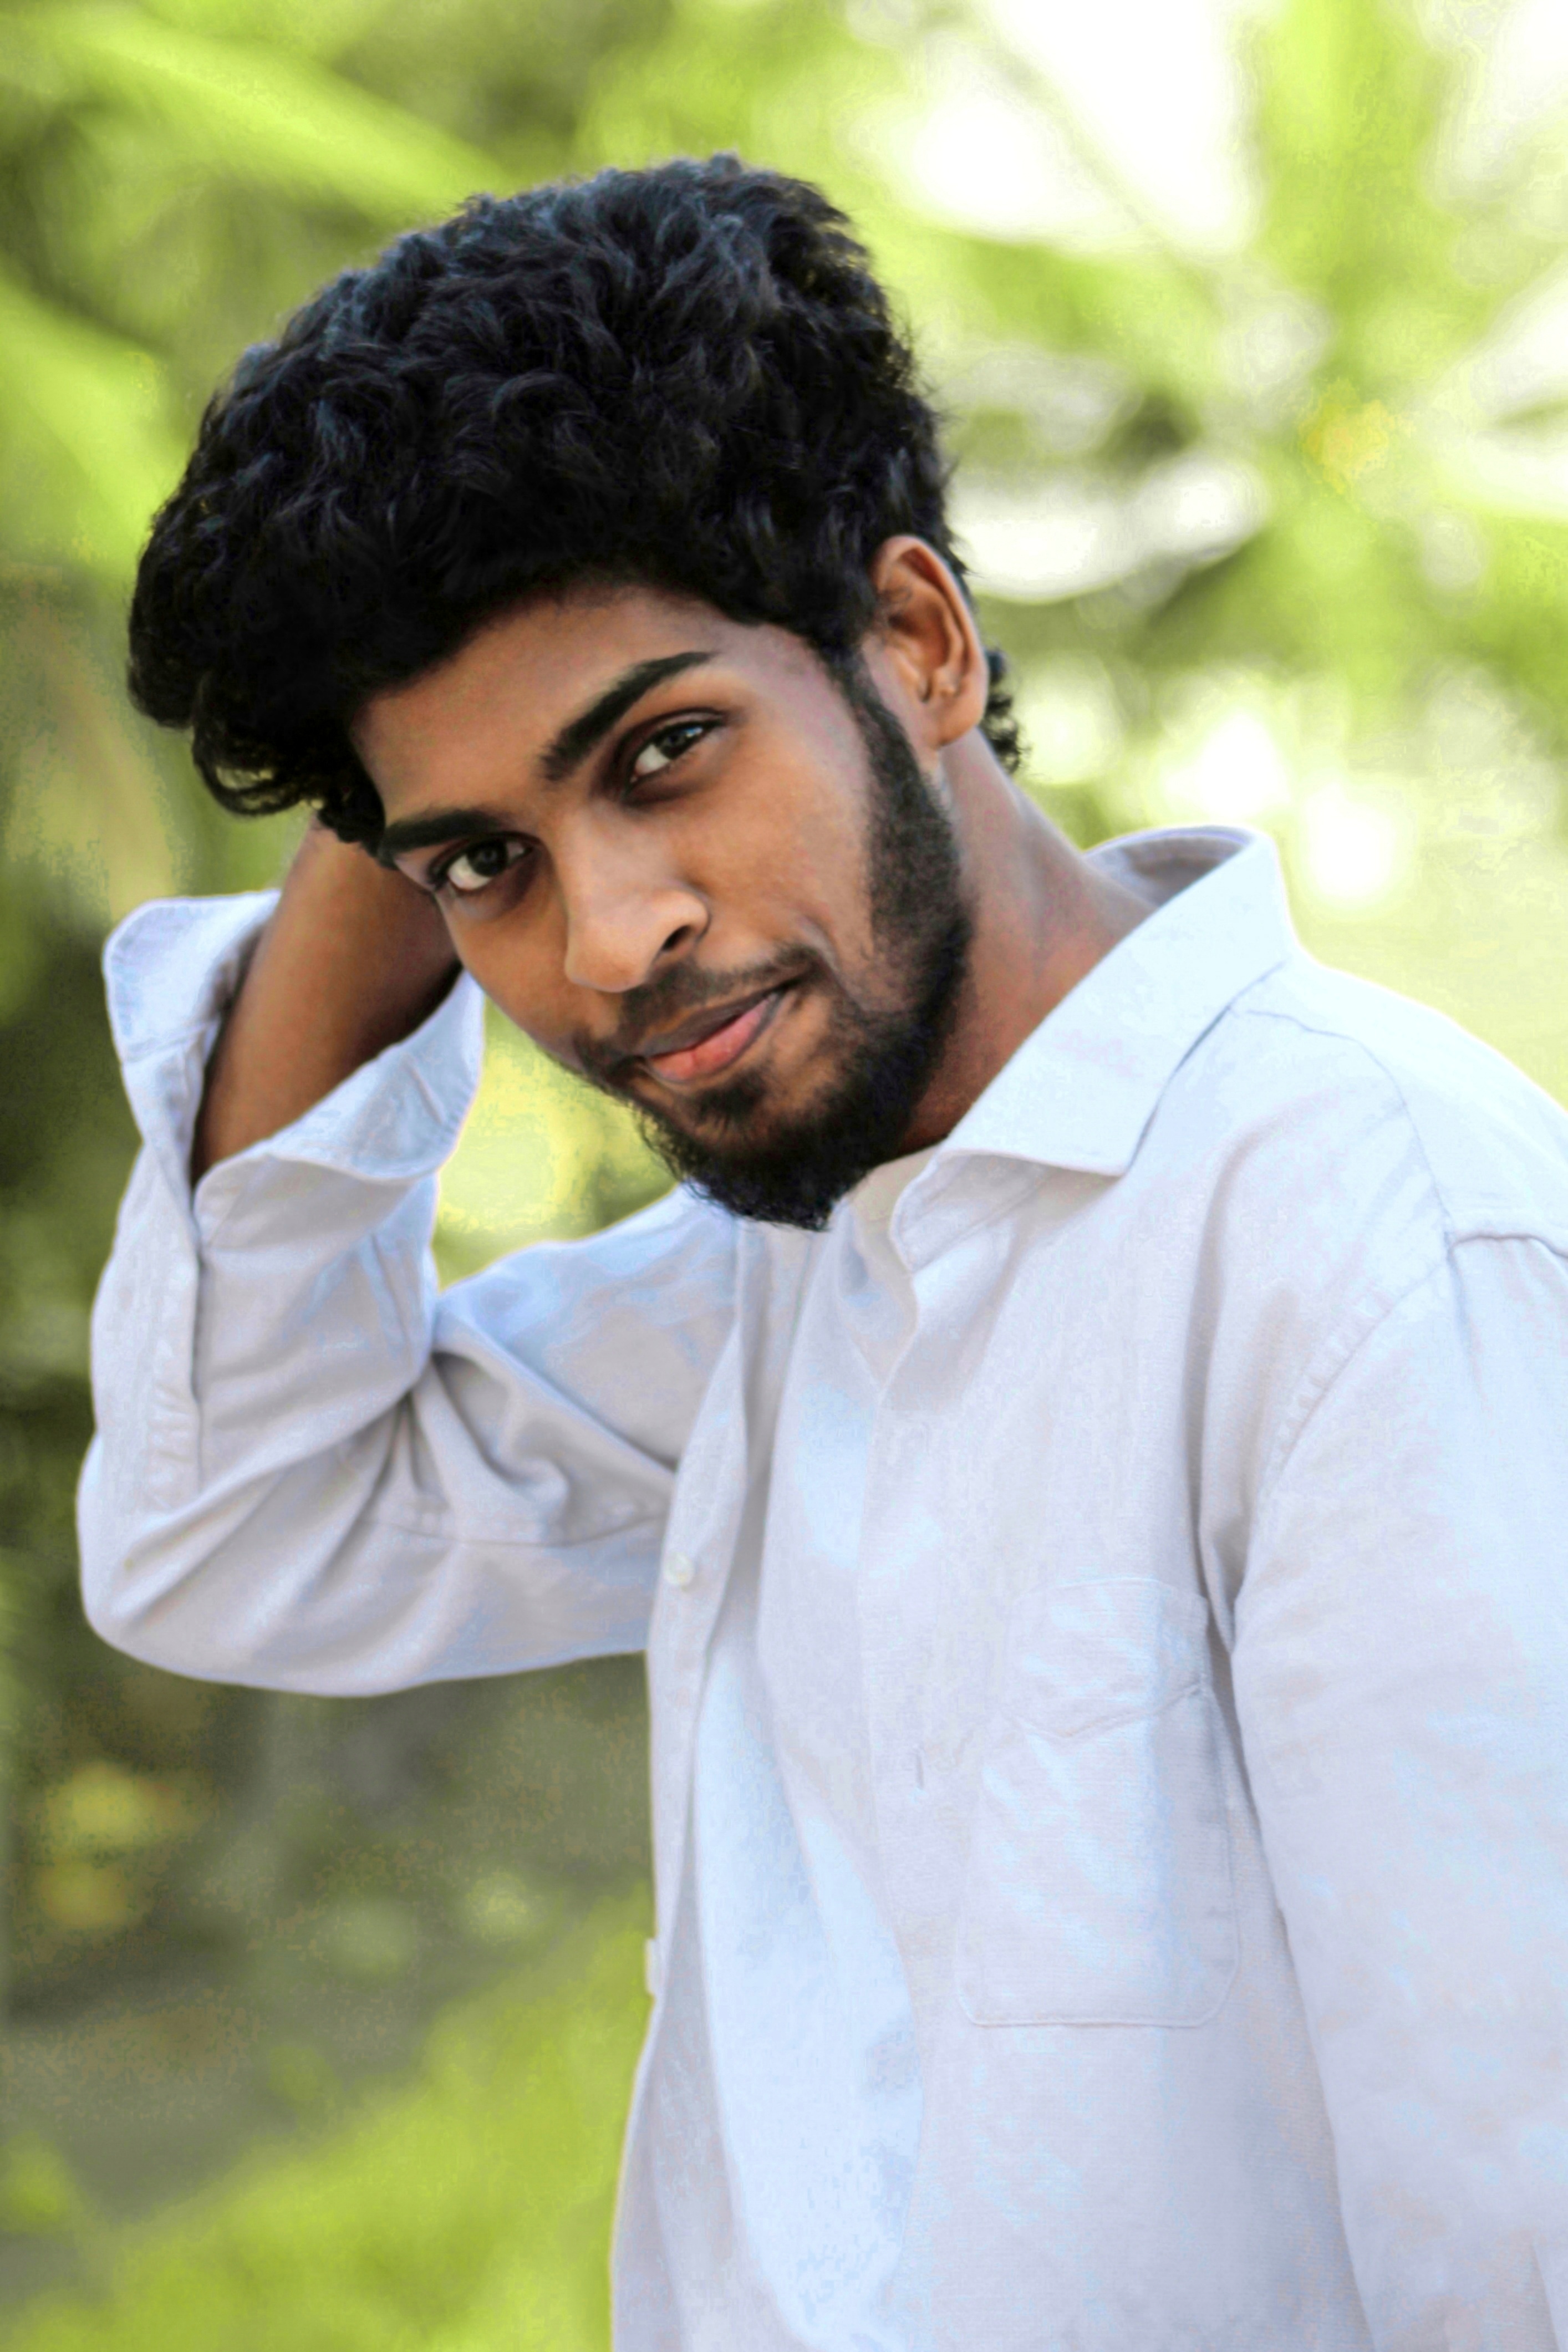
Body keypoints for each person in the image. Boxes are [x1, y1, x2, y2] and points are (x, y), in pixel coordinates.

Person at [82, 155, 1568, 2349]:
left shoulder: (1367, 1248)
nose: (610, 939)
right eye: (484, 864)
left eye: (663, 752)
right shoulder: (792, 1262)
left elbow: (1518, 2243)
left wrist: (435, 736)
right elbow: (234, 1530)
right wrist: (374, 746)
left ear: (917, 641)